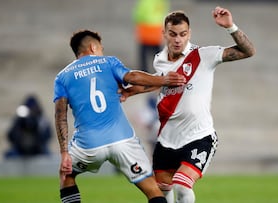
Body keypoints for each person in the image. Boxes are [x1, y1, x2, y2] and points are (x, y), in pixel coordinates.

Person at [121, 6, 255, 203]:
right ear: (164, 33)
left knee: (183, 187)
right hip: (167, 139)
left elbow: (248, 51)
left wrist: (230, 27)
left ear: (189, 34)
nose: (177, 39)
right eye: (173, 34)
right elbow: (161, 81)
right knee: (162, 190)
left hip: (198, 137)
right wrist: (131, 91)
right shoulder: (159, 60)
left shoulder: (204, 55)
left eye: (182, 34)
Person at [53, 30, 186, 203]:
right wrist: (164, 80)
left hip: (88, 145)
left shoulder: (62, 77)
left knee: (66, 174)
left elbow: (60, 115)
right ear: (93, 47)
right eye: (101, 48)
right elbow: (134, 77)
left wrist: (64, 153)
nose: (102, 51)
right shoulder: (108, 62)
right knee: (152, 189)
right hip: (123, 141)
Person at [4, 94, 52, 158]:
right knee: (9, 155)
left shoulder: (41, 120)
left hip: (38, 149)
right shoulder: (20, 120)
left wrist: (38, 127)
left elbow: (47, 136)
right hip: (20, 150)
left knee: (48, 157)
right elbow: (10, 135)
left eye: (33, 109)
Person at [132, 0, 169, 73]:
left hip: (146, 29)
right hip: (157, 29)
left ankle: (144, 70)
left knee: (144, 52)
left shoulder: (144, 2)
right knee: (157, 51)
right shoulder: (161, 2)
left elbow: (138, 15)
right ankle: (161, 68)